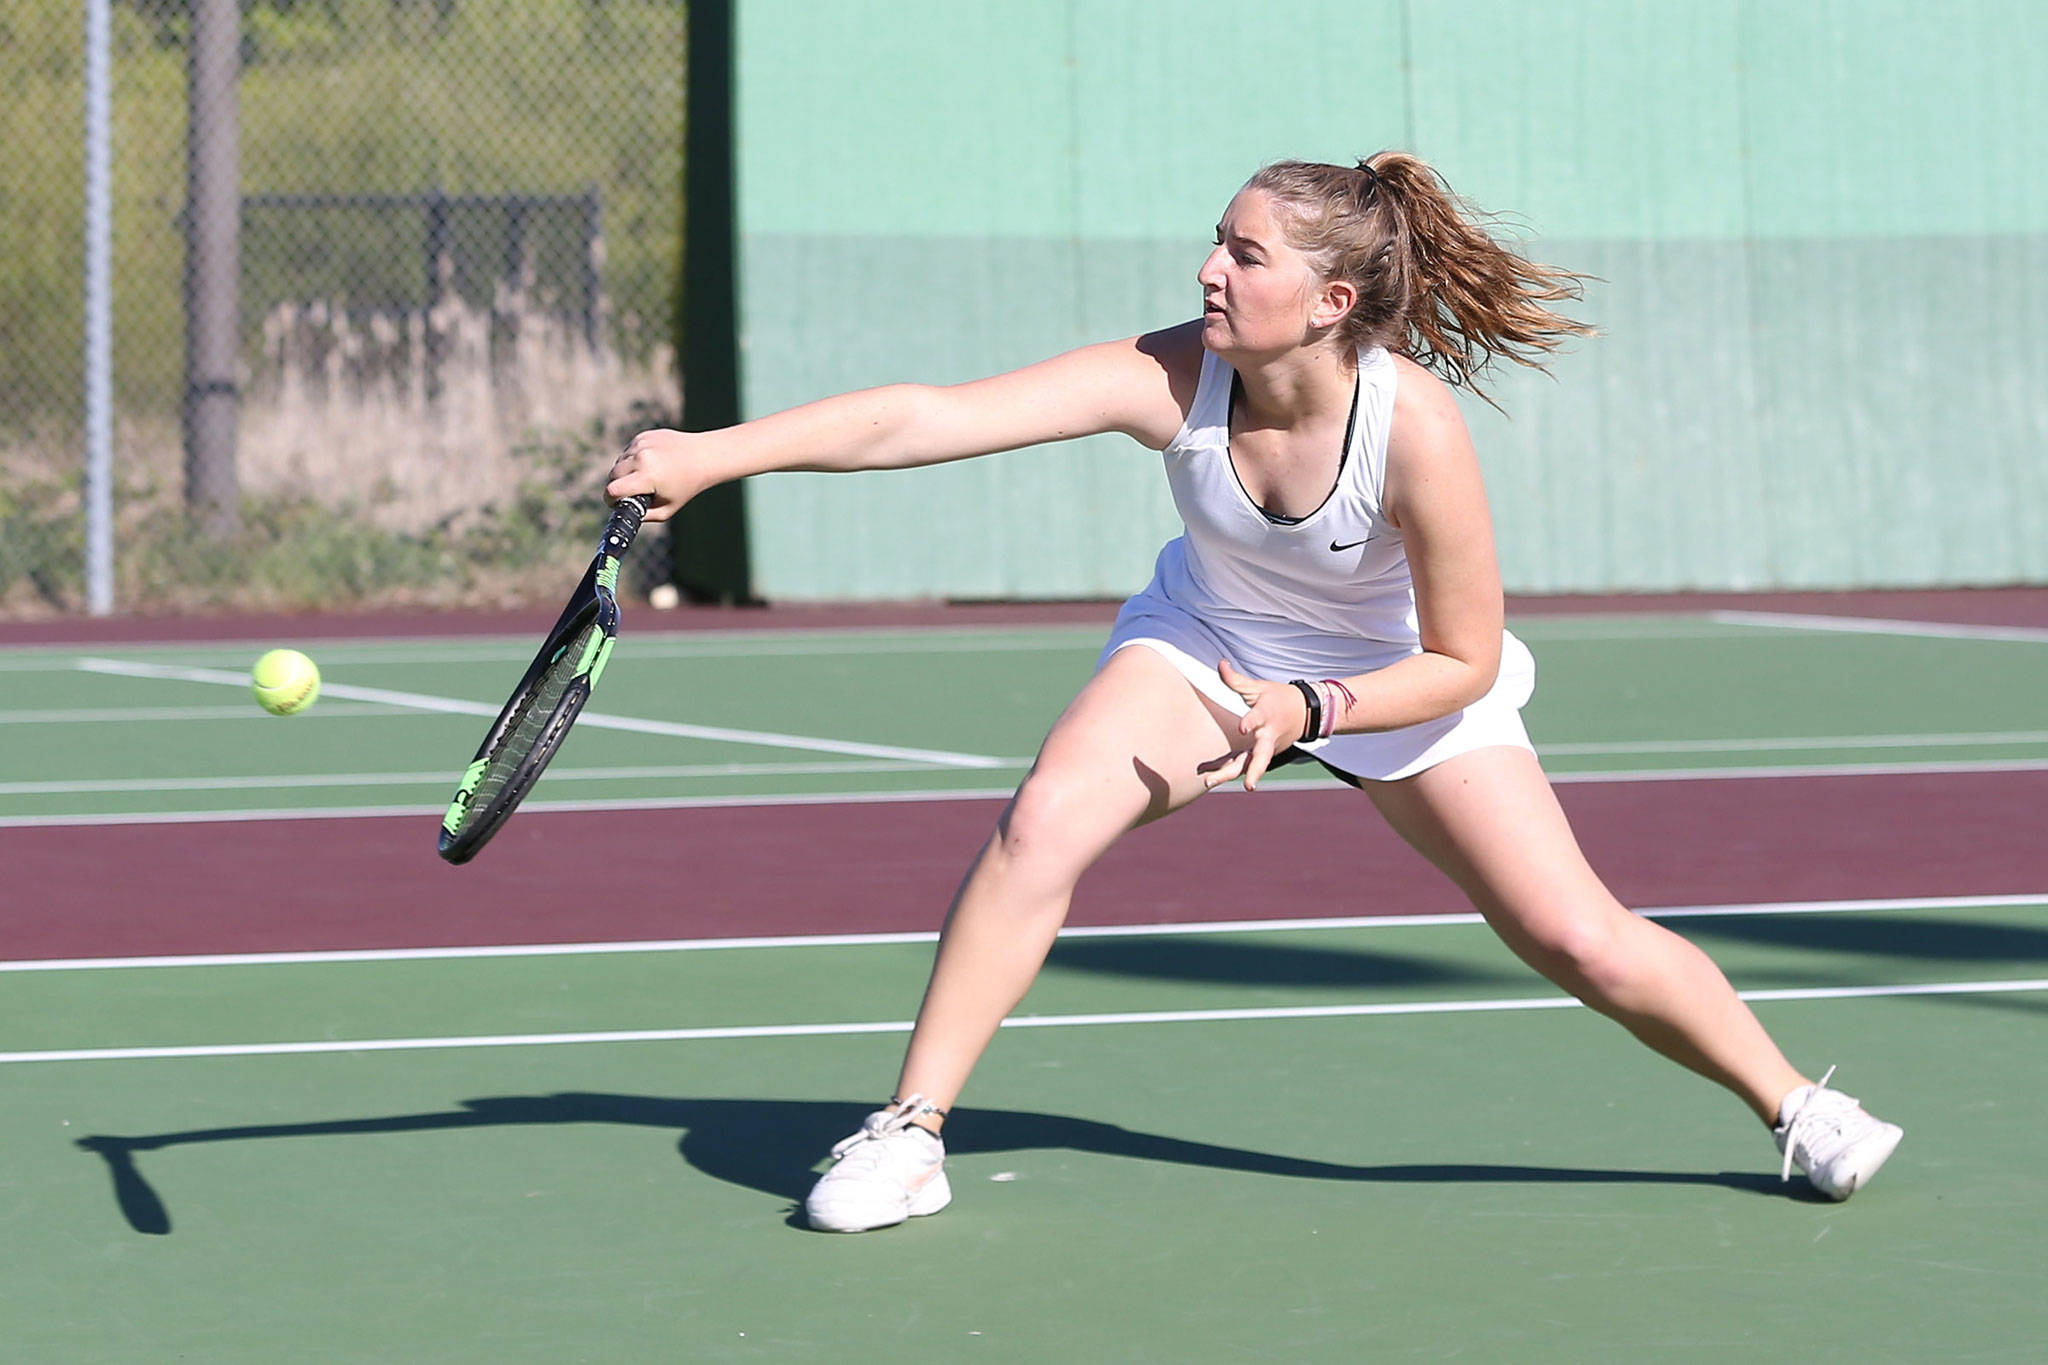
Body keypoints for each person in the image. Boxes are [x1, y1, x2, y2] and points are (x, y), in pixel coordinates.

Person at [606, 152, 1902, 1234]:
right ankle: (910, 1133)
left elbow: (1461, 657)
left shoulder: (1415, 429)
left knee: (1579, 940)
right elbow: (926, 417)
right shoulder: (1171, 375)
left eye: (1243, 254)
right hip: (1207, 638)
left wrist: (1312, 710)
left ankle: (1798, 1107)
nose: (1207, 271)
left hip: (1392, 680)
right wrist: (717, 455)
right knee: (1043, 822)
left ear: (1331, 299)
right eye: (1214, 243)